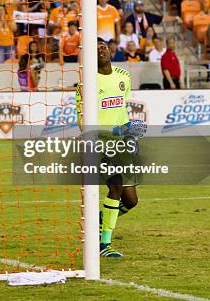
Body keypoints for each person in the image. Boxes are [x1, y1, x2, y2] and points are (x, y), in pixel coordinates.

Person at [76, 38, 138, 258]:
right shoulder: (85, 84)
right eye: (96, 48)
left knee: (131, 200)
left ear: (110, 50)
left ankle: (100, 220)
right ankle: (104, 244)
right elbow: (84, 123)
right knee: (115, 187)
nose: (101, 49)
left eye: (103, 46)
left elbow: (121, 110)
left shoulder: (124, 77)